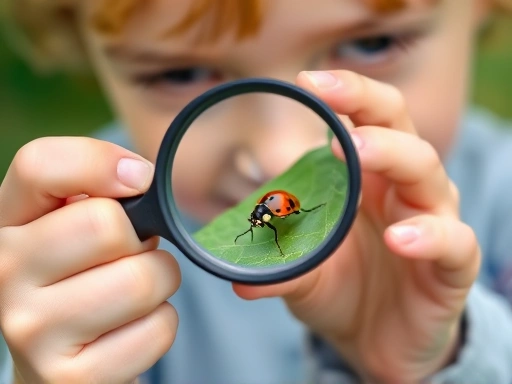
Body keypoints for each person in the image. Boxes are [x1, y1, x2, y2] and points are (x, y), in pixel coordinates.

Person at [1, 0, 512, 382]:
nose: (277, 158)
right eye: (181, 73)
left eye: (369, 45)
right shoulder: (82, 240)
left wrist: (442, 363)